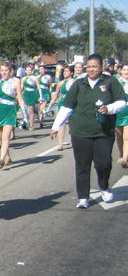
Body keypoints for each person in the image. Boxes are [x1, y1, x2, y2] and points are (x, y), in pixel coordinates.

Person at [51, 53, 126, 208]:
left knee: (104, 163)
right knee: (82, 165)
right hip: (81, 132)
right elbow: (67, 106)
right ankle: (83, 197)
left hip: (103, 132)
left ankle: (104, 187)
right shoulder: (79, 84)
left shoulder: (110, 81)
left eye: (95, 67)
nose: (91, 70)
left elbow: (122, 102)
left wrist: (109, 108)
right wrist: (56, 126)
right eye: (89, 67)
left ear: (101, 67)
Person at [50, 64, 74, 151]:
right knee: (61, 123)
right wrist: (50, 106)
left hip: (72, 104)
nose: (65, 73)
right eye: (64, 71)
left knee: (72, 123)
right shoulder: (60, 83)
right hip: (62, 103)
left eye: (67, 71)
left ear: (71, 73)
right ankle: (60, 144)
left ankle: (72, 140)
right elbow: (55, 95)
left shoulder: (75, 82)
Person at [116, 63, 128, 168]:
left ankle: (124, 158)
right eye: (124, 70)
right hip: (119, 111)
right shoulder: (116, 82)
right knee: (119, 135)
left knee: (127, 137)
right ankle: (121, 153)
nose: (126, 72)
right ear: (121, 71)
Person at [21, 63, 39, 130]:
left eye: (29, 70)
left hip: (32, 94)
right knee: (25, 110)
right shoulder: (23, 78)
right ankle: (26, 123)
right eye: (27, 70)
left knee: (31, 111)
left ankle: (31, 125)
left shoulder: (35, 78)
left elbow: (38, 87)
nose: (28, 71)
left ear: (32, 71)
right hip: (25, 94)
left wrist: (39, 96)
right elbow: (21, 88)